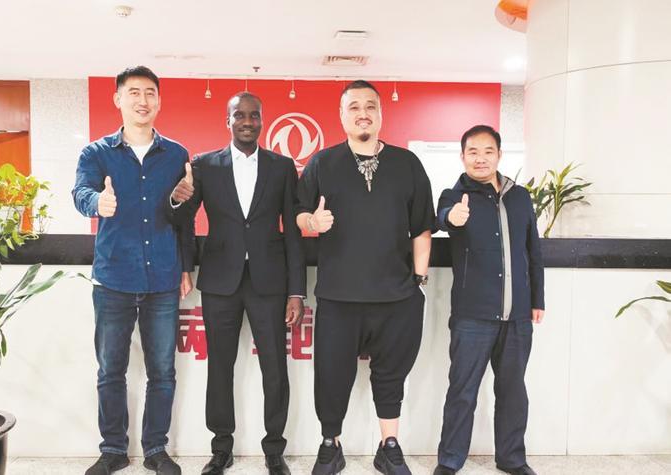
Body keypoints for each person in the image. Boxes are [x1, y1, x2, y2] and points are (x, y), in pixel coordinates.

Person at [295, 80, 435, 475]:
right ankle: (331, 445)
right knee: (331, 375)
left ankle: (389, 446)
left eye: (370, 106)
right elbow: (298, 213)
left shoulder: (407, 164)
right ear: (341, 115)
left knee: (391, 376)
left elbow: (421, 227)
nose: (363, 113)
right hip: (338, 296)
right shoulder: (322, 163)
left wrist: (418, 282)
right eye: (354, 106)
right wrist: (312, 222)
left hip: (397, 296)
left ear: (380, 114)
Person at [168, 92, 305, 475]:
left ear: (262, 121)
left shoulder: (282, 167)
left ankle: (274, 449)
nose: (247, 121)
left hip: (270, 282)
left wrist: (296, 290)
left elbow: (293, 233)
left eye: (254, 115)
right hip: (219, 281)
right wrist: (177, 201)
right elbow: (183, 219)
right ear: (227, 121)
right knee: (220, 367)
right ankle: (221, 449)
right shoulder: (204, 165)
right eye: (239, 115)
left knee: (275, 369)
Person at [72, 66, 192, 475]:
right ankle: (113, 450)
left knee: (163, 372)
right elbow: (80, 192)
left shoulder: (176, 154)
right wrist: (96, 203)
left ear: (159, 100)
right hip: (114, 279)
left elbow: (183, 218)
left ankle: (156, 449)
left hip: (162, 278)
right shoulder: (96, 153)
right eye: (134, 92)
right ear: (118, 99)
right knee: (111, 371)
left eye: (150, 92)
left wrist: (185, 262)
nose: (143, 100)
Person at [432, 125, 545, 475]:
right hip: (472, 315)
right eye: (473, 152)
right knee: (462, 391)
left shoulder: (520, 196)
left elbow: (533, 250)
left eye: (488, 151)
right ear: (462, 156)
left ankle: (512, 459)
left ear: (499, 155)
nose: (480, 158)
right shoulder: (453, 195)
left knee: (513, 391)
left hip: (518, 314)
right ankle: (450, 460)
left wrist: (537, 299)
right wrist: (452, 217)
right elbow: (442, 219)